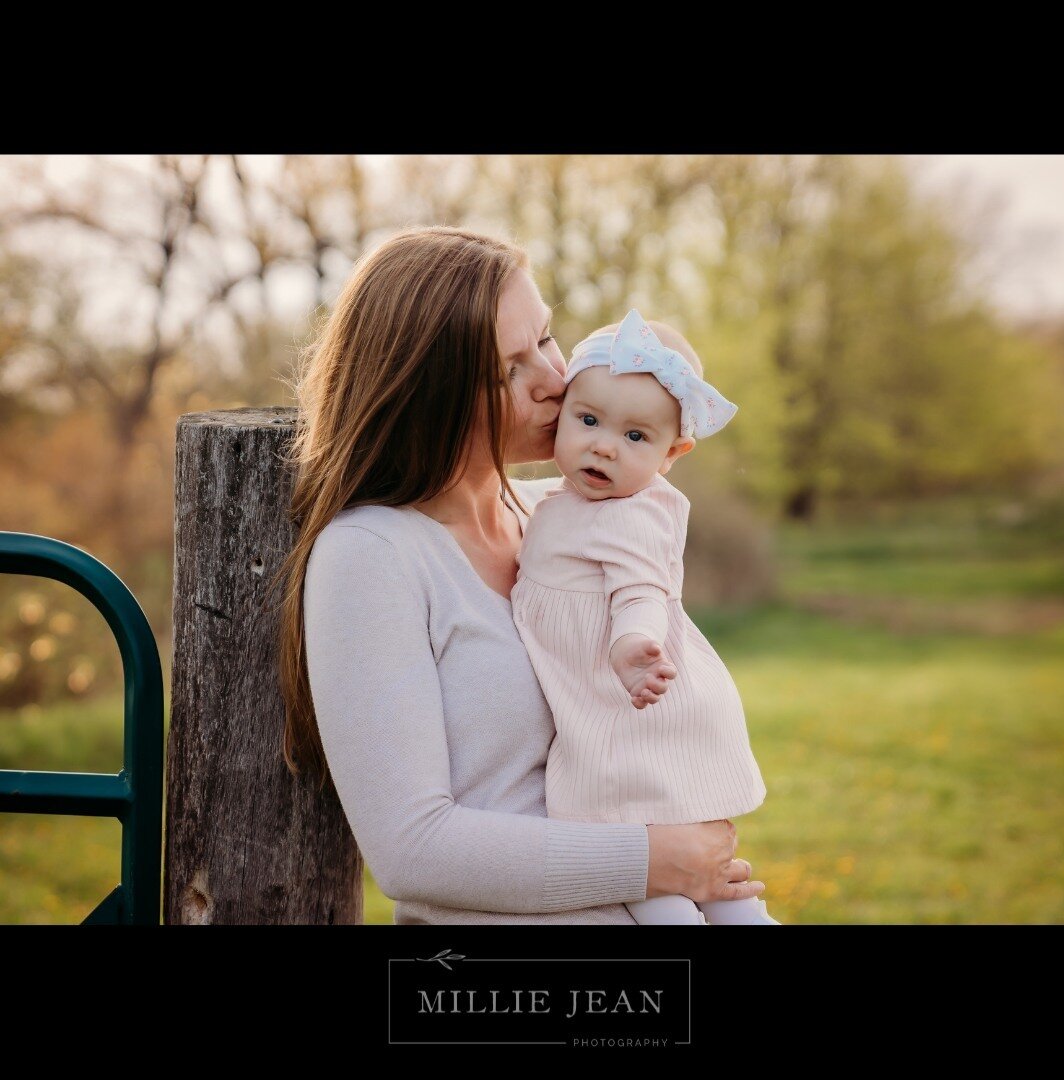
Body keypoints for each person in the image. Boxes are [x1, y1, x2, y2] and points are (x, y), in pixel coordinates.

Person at [273, 225, 767, 924]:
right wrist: (659, 859)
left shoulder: (562, 516)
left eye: (547, 339)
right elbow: (411, 848)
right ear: (428, 396)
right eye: (509, 369)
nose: (554, 380)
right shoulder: (375, 556)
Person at [511, 309, 780, 925]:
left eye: (636, 437)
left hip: (629, 720)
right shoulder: (562, 501)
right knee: (712, 888)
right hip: (628, 722)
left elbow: (642, 587)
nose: (604, 445)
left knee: (658, 880)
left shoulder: (634, 513)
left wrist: (633, 645)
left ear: (672, 453)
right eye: (587, 420)